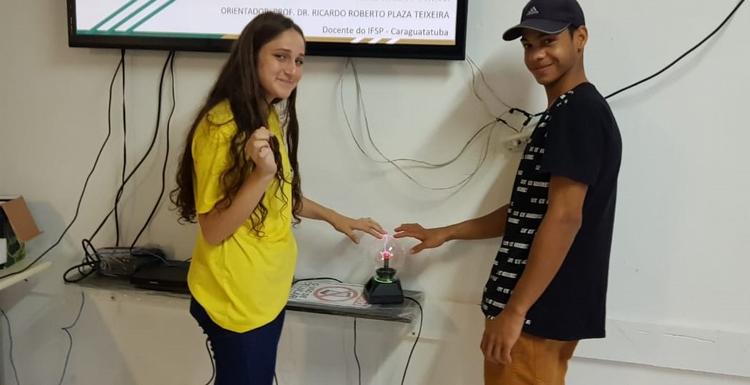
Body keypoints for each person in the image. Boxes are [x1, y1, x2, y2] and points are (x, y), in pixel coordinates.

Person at [395, 1, 622, 384]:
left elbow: (565, 216)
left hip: (535, 316)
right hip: (533, 313)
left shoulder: (577, 112)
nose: (536, 55)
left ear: (579, 38)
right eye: (529, 45)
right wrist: (447, 232)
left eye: (548, 41)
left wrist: (516, 312)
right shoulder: (566, 112)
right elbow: (529, 209)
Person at [170, 12, 385, 385]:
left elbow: (277, 194)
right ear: (251, 56)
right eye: (281, 56)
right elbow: (215, 229)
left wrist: (336, 217)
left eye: (299, 60)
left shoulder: (264, 114)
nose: (292, 70)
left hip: (265, 290)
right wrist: (261, 173)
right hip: (236, 299)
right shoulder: (220, 126)